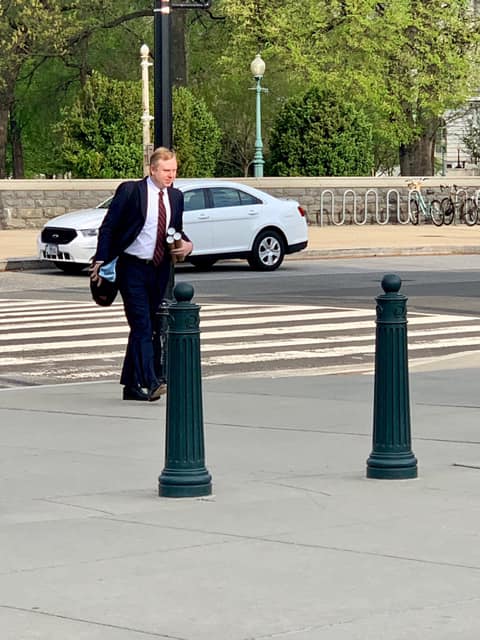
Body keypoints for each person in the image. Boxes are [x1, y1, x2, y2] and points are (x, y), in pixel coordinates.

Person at [90, 147, 193, 401]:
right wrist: (101, 258)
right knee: (142, 325)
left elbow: (176, 230)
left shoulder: (176, 197)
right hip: (131, 266)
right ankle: (151, 380)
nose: (172, 175)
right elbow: (109, 226)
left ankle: (131, 385)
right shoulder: (131, 191)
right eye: (167, 171)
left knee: (144, 326)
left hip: (159, 269)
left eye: (175, 170)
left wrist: (188, 245)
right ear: (153, 169)